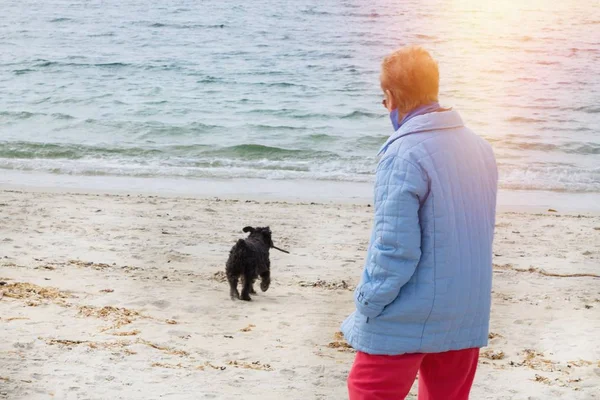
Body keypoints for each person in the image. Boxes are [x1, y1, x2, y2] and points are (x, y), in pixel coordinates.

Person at [341, 46, 498, 400]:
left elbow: (395, 247)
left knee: (368, 391)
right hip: (465, 307)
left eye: (384, 99)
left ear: (392, 97)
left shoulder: (402, 154)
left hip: (410, 311)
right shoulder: (480, 147)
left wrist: (367, 301)